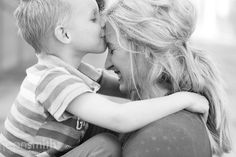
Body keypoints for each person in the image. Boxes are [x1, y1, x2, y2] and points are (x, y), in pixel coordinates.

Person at [0, 0, 209, 156]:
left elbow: (126, 87)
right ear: (64, 34)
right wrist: (183, 99)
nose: (102, 22)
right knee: (106, 145)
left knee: (100, 127)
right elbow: (119, 117)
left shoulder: (74, 71)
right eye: (93, 18)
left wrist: (164, 79)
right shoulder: (52, 80)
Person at [81, 0, 231, 156]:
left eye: (112, 50)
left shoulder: (163, 137)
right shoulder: (164, 111)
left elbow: (118, 116)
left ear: (143, 51)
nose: (107, 65)